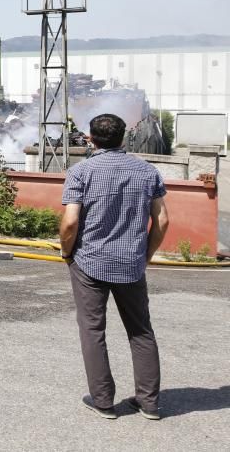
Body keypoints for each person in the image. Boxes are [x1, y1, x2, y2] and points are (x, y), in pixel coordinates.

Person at [59, 113, 169, 421]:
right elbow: (162, 220)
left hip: (89, 262)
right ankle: (149, 403)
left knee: (93, 330)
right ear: (124, 138)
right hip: (131, 263)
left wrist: (67, 253)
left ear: (91, 139)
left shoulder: (81, 171)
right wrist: (145, 255)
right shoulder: (148, 172)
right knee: (141, 331)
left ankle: (103, 401)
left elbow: (70, 222)